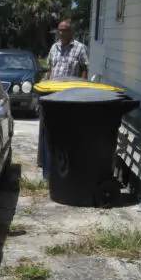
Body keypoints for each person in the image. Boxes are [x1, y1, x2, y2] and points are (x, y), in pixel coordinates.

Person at [38, 19, 90, 173]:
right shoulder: (54, 48)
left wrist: (81, 87)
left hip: (70, 95)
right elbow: (50, 68)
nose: (61, 33)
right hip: (53, 94)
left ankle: (67, 160)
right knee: (51, 127)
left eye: (64, 30)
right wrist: (47, 84)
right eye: (59, 30)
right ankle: (48, 161)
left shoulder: (80, 48)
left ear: (71, 31)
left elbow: (84, 69)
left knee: (67, 128)